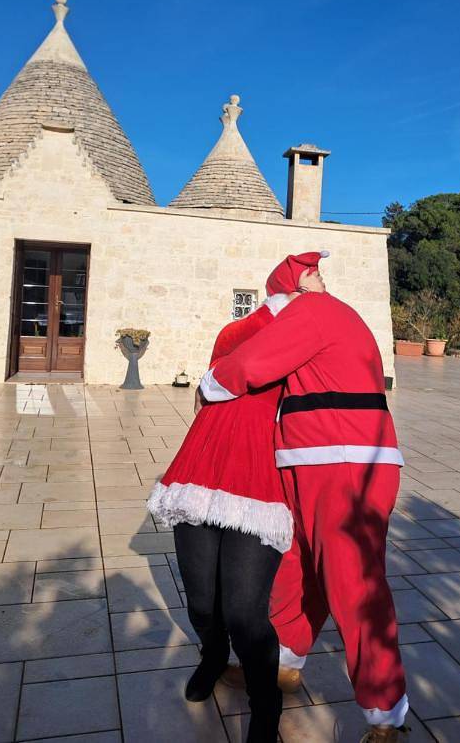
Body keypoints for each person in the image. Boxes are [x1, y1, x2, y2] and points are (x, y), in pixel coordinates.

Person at [199, 251, 409, 743]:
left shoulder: (312, 311)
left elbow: (250, 363)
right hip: (317, 459)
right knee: (297, 565)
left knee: (352, 581)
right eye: (310, 272)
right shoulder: (322, 313)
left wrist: (211, 384)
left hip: (343, 463)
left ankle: (386, 714)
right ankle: (284, 665)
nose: (319, 276)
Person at [147, 291, 293, 743]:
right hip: (203, 465)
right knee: (201, 601)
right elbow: (223, 367)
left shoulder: (310, 339)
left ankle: (266, 707)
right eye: (311, 276)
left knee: (245, 611)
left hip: (261, 476)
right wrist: (274, 309)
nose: (319, 284)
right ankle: (213, 657)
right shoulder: (238, 331)